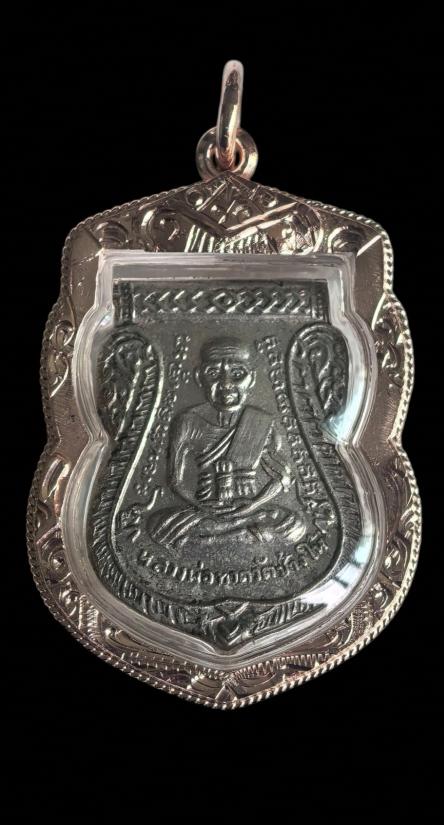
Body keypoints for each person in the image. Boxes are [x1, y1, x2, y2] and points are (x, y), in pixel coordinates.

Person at [147, 336, 306, 550]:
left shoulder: (261, 421)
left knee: (294, 524)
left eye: (237, 374)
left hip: (248, 509)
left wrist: (253, 505)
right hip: (204, 509)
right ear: (199, 377)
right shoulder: (187, 421)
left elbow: (282, 477)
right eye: (213, 374)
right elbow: (175, 481)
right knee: (157, 525)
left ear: (251, 378)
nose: (226, 384)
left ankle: (210, 540)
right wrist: (203, 507)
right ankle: (240, 535)